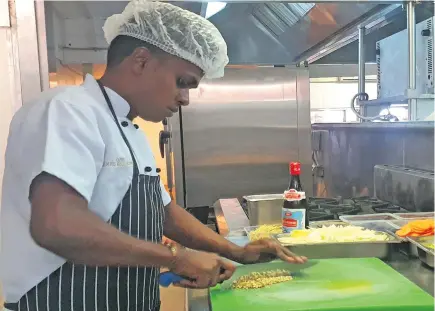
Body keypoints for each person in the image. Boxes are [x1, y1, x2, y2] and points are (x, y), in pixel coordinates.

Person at [0, 1, 307, 311]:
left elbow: (163, 212)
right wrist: (177, 259)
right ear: (141, 61)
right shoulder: (68, 111)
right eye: (183, 82)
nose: (185, 98)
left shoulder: (128, 130)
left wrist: (235, 251)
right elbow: (57, 224)